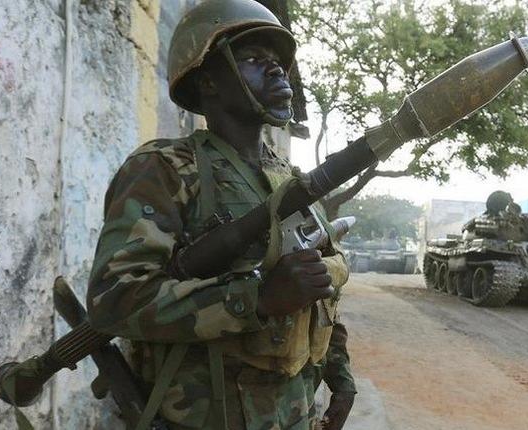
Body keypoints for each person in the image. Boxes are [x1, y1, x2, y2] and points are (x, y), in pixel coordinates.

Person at [86, 1, 355, 428]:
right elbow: (115, 301)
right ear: (207, 81)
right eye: (253, 59)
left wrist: (340, 375)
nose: (276, 71)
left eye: (278, 62)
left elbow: (321, 293)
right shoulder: (165, 169)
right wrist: (259, 299)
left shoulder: (292, 180)